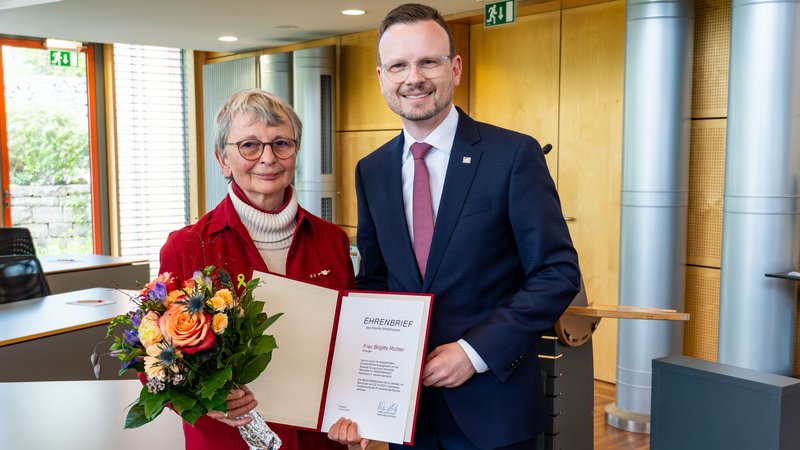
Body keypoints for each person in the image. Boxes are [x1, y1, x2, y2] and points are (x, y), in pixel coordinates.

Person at [328, 4, 581, 450]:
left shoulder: (513, 156)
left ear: (455, 67)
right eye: (398, 65)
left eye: (428, 61)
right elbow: (376, 283)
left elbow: (556, 273)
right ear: (382, 77)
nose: (414, 78)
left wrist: (474, 352)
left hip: (493, 408)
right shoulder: (372, 170)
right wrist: (365, 396)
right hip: (406, 411)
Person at [160, 88, 354, 450]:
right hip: (228, 439)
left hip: (319, 439)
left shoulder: (332, 241)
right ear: (223, 159)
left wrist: (364, 410)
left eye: (281, 143)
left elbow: (354, 340)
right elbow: (154, 361)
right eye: (249, 145)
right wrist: (206, 397)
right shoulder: (186, 246)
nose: (268, 158)